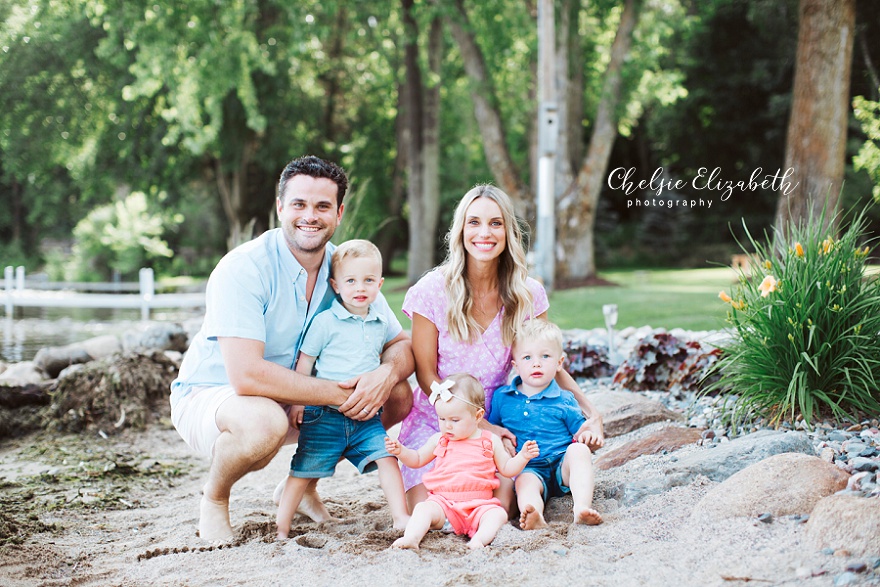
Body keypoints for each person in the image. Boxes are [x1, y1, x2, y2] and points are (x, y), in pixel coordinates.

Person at [169, 155, 414, 542]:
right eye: (299, 204)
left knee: (398, 394)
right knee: (265, 424)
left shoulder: (346, 269)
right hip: (216, 395)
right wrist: (341, 394)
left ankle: (301, 486)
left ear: (339, 213)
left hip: (300, 398)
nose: (310, 216)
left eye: (322, 206)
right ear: (280, 206)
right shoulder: (244, 268)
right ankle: (214, 498)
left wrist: (384, 375)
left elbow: (401, 343)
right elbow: (246, 375)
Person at [396, 184, 604, 511]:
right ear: (460, 229)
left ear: (509, 231)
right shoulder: (432, 290)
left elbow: (549, 364)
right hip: (442, 419)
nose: (485, 233)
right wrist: (477, 424)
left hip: (506, 418)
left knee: (499, 505)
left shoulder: (528, 294)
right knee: (443, 510)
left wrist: (591, 413)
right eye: (474, 222)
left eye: (496, 223)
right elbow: (425, 374)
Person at [277, 240, 409, 539]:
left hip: (366, 416)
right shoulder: (325, 322)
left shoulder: (379, 321)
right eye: (350, 281)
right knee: (303, 469)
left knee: (387, 458)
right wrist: (298, 402)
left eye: (368, 280)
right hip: (324, 415)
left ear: (380, 283)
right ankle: (281, 527)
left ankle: (401, 517)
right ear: (336, 285)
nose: (359, 287)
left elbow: (400, 344)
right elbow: (305, 363)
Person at [385, 373, 539, 550]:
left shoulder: (489, 440)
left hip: (479, 506)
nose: (447, 426)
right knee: (422, 509)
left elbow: (507, 469)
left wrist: (523, 457)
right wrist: (401, 451)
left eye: (455, 420)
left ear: (478, 415)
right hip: (444, 505)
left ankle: (478, 541)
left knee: (497, 515)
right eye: (442, 419)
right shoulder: (440, 439)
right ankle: (411, 538)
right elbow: (417, 459)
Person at [488, 319, 603, 529]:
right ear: (515, 365)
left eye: (545, 356)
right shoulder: (502, 398)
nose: (536, 363)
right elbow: (493, 430)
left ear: (559, 363)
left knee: (578, 450)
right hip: (530, 467)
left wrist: (586, 437)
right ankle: (533, 514)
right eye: (527, 357)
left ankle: (581, 508)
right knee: (524, 482)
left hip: (561, 464)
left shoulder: (564, 398)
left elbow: (579, 430)